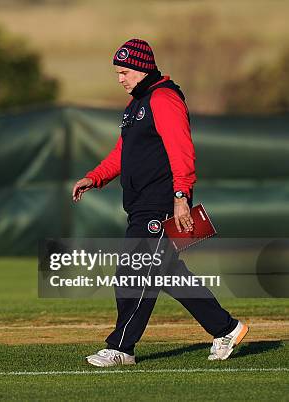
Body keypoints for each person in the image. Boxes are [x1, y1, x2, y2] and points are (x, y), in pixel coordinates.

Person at [71, 38, 248, 367]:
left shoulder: (163, 98)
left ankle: (122, 348)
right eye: (118, 72)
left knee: (133, 272)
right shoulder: (137, 105)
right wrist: (94, 177)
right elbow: (123, 153)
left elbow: (182, 150)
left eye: (124, 72)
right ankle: (227, 328)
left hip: (162, 201)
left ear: (141, 69)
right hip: (141, 202)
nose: (120, 78)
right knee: (167, 274)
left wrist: (181, 196)